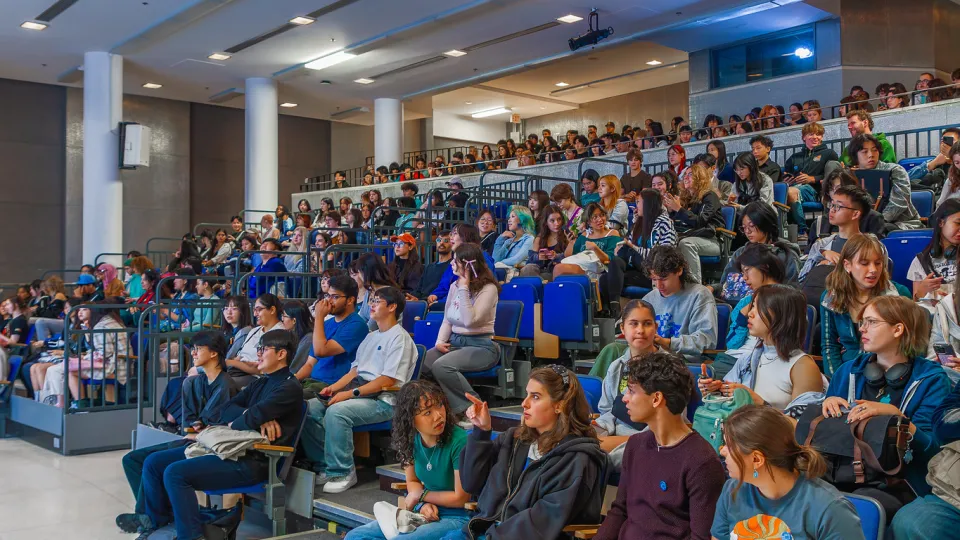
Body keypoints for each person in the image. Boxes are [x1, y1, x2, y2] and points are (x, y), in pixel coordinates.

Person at [127, 329, 302, 540]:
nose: (258, 354)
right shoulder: (261, 382)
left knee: (175, 473)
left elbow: (239, 420)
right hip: (230, 450)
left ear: (281, 354)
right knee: (154, 463)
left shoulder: (289, 388)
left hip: (255, 460)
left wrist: (250, 416)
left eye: (263, 349)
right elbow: (225, 410)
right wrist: (253, 415)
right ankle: (159, 524)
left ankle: (191, 535)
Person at [442, 366, 605, 540]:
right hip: (486, 530)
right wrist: (482, 432)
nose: (524, 403)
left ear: (560, 405)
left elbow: (541, 522)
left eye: (535, 397)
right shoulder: (514, 439)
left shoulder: (576, 458)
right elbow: (471, 484)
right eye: (527, 394)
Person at [822, 295, 952, 510]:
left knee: (855, 505)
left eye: (871, 322)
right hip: (841, 472)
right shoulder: (848, 371)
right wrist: (829, 404)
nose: (862, 329)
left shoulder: (933, 380)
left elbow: (932, 452)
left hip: (899, 483)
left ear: (898, 329)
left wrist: (897, 417)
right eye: (862, 322)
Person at [115, 331, 240, 533]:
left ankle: (150, 517)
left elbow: (215, 423)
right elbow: (189, 419)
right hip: (192, 438)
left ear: (215, 353)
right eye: (193, 349)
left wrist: (199, 427)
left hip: (209, 445)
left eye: (198, 349)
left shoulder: (225, 384)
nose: (193, 353)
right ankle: (154, 513)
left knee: (153, 462)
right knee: (131, 460)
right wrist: (195, 426)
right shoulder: (193, 382)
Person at [593, 351, 725, 540]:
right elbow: (619, 511)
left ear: (656, 399)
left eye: (631, 391)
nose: (624, 398)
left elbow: (701, 536)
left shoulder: (702, 462)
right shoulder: (635, 445)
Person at [303, 286, 418, 493]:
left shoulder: (400, 338)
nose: (371, 305)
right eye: (371, 300)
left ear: (392, 307)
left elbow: (388, 380)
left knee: (337, 412)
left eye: (377, 302)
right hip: (360, 391)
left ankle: (343, 471)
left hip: (385, 401)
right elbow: (355, 371)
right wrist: (333, 388)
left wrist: (348, 394)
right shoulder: (371, 335)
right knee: (309, 408)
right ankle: (325, 465)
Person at [712, 405, 865, 540]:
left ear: (757, 460)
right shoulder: (732, 489)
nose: (722, 451)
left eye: (729, 446)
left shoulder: (829, 509)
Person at [344, 381, 470, 539]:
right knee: (355, 536)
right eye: (427, 412)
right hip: (423, 511)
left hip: (457, 516)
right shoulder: (411, 439)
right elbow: (412, 481)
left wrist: (421, 496)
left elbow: (460, 498)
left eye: (439, 405)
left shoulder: (459, 441)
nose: (438, 415)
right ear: (411, 420)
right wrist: (423, 504)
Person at [703, 285, 824, 410]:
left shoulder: (802, 366)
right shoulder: (747, 358)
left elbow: (803, 425)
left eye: (758, 307)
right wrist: (714, 392)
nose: (750, 314)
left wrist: (759, 403)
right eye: (753, 306)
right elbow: (729, 403)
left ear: (782, 316)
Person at [422, 244, 499, 416]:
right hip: (455, 342)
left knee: (442, 366)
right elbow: (447, 319)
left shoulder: (488, 289)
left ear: (468, 264)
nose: (451, 264)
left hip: (482, 346)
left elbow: (470, 321)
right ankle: (441, 408)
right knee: (420, 362)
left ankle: (472, 408)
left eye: (455, 261)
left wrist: (464, 288)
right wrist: (440, 342)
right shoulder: (454, 286)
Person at [820, 234, 911, 377]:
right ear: (847, 265)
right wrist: (837, 381)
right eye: (864, 263)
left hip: (890, 373)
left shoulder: (899, 295)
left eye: (878, 263)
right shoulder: (830, 297)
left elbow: (910, 343)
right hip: (847, 371)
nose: (873, 270)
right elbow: (829, 346)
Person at [592, 300, 659, 467]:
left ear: (656, 327)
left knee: (586, 457)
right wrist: (598, 430)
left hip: (652, 443)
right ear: (622, 328)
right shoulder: (616, 367)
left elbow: (670, 423)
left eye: (647, 324)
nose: (640, 331)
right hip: (615, 439)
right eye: (633, 324)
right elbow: (607, 411)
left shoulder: (669, 369)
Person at [641, 245, 717, 361]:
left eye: (663, 278)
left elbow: (706, 340)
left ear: (679, 270)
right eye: (654, 279)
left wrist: (668, 343)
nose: (658, 285)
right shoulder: (648, 299)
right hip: (653, 357)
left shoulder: (699, 295)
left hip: (683, 361)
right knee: (613, 349)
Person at [717, 202, 800, 306]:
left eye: (751, 226)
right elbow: (726, 284)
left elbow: (793, 291)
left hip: (772, 307)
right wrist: (714, 288)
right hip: (738, 307)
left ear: (766, 224)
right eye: (743, 227)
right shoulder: (740, 252)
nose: (747, 231)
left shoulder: (785, 254)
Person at [298, 275, 369, 393]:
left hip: (331, 386)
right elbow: (310, 364)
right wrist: (293, 379)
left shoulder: (357, 325)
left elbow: (321, 351)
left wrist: (319, 316)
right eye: (327, 296)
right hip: (312, 382)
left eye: (335, 297)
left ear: (350, 300)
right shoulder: (326, 324)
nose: (329, 301)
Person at [801, 184, 875, 282]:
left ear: (855, 214)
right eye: (832, 205)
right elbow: (802, 278)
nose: (832, 210)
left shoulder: (872, 246)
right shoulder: (822, 245)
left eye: (838, 206)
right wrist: (821, 258)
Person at [665, 163, 725, 284]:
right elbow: (680, 224)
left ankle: (694, 286)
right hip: (693, 236)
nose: (685, 177)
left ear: (700, 177)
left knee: (686, 243)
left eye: (690, 174)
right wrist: (671, 212)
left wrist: (679, 209)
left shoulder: (710, 196)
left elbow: (700, 222)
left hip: (712, 240)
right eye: (685, 175)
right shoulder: (687, 199)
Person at [783, 122, 839, 236]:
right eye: (811, 134)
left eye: (818, 134)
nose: (815, 137)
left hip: (816, 191)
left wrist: (812, 179)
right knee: (786, 191)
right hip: (795, 188)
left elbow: (834, 176)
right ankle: (790, 230)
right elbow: (785, 174)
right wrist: (786, 181)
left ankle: (802, 230)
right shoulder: (794, 157)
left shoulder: (829, 153)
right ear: (804, 137)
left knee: (791, 192)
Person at [617, 189, 677, 290]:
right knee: (615, 264)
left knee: (613, 278)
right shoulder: (639, 221)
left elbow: (665, 255)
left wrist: (634, 247)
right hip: (636, 267)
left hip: (654, 270)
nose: (637, 205)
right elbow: (630, 245)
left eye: (639, 202)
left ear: (648, 204)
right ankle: (615, 305)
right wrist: (621, 248)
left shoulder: (664, 223)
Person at [908, 199, 960, 311]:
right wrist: (921, 291)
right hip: (933, 319)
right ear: (941, 223)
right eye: (958, 223)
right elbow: (915, 304)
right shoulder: (921, 261)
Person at [426, 224, 496, 307]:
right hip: (448, 303)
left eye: (455, 233)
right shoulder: (455, 259)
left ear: (466, 237)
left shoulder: (482, 257)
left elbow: (477, 288)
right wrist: (435, 295)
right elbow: (444, 285)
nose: (451, 237)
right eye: (451, 233)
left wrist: (442, 302)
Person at [225, 293, 286, 387]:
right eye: (254, 310)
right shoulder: (254, 331)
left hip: (258, 378)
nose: (255, 314)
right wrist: (237, 362)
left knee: (222, 384)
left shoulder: (280, 333)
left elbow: (263, 369)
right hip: (237, 371)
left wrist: (234, 362)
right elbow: (239, 355)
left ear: (272, 310)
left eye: (259, 310)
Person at [521, 204, 569, 276]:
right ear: (546, 222)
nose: (557, 223)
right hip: (541, 270)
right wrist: (538, 257)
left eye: (559, 219)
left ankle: (545, 285)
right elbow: (530, 259)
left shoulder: (567, 236)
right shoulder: (540, 238)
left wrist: (556, 257)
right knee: (528, 269)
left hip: (558, 270)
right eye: (552, 221)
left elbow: (572, 256)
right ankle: (541, 285)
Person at [408, 230, 453, 301]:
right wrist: (412, 297)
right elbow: (419, 288)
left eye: (446, 240)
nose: (441, 243)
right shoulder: (430, 267)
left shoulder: (453, 266)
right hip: (421, 301)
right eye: (439, 240)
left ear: (452, 243)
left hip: (435, 303)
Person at [493, 206, 537, 270]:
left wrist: (498, 264)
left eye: (513, 217)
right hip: (503, 271)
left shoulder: (529, 239)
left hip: (518, 273)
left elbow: (517, 259)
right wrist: (500, 239)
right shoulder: (509, 241)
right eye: (509, 217)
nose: (509, 220)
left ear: (522, 219)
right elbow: (495, 259)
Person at [281, 300, 315, 377]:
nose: (282, 319)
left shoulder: (308, 339)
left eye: (284, 316)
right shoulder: (291, 335)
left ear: (294, 320)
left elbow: (295, 368)